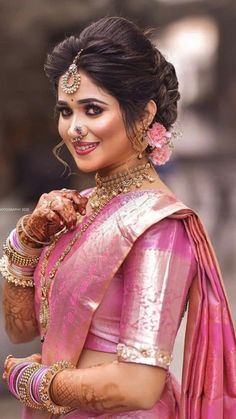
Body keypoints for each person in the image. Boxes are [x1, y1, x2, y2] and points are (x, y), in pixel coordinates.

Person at [1, 16, 236, 419]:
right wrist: (26, 242)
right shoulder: (80, 207)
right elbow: (23, 330)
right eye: (65, 110)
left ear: (144, 115)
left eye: (93, 109)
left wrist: (34, 381)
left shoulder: (159, 226)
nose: (75, 128)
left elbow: (139, 385)